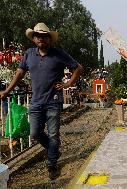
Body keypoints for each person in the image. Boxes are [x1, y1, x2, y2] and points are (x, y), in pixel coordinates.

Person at [0, 23, 83, 180]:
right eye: (37, 35)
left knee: (53, 135)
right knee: (35, 133)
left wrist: (68, 84)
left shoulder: (59, 53)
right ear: (34, 38)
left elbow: (78, 68)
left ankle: (52, 165)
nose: (41, 38)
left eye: (44, 35)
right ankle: (54, 151)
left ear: (49, 39)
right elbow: (19, 74)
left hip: (54, 100)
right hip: (36, 102)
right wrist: (7, 91)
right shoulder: (29, 54)